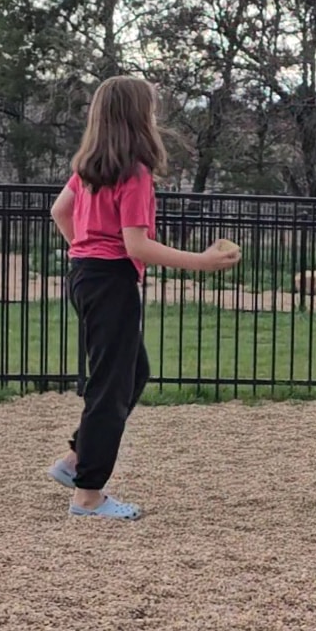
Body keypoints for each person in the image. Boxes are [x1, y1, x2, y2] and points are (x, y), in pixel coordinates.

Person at [46, 75, 241, 520]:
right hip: (111, 281)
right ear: (139, 117)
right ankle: (88, 494)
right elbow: (136, 245)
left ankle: (77, 460)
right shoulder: (133, 172)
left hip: (85, 276)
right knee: (110, 387)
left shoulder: (89, 167)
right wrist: (201, 261)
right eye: (151, 108)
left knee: (133, 371)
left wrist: (84, 250)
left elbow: (60, 211)